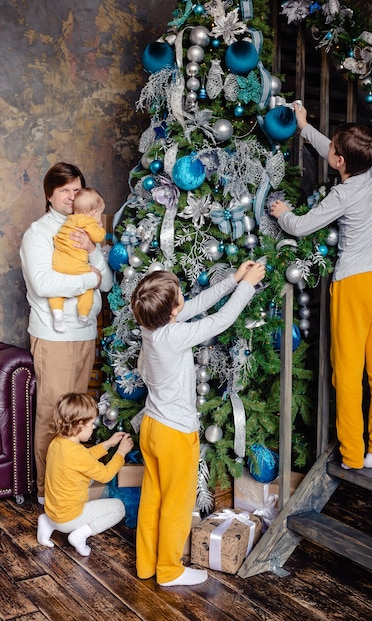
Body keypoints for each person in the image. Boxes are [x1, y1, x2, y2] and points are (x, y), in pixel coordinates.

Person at [270, 103, 372, 471]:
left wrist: (283, 214)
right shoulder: (369, 174)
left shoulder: (342, 196)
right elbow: (334, 146)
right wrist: (305, 127)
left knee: (347, 371)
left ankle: (353, 455)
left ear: (340, 162)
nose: (330, 151)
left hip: (355, 284)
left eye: (334, 151)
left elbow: (300, 227)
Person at [130, 260, 266, 587]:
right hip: (175, 434)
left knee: (152, 499)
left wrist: (232, 280)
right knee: (177, 505)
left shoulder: (152, 329)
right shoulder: (174, 336)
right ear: (172, 312)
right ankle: (169, 571)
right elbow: (221, 319)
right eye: (179, 297)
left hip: (151, 428)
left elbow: (193, 306)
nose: (184, 301)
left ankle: (146, 564)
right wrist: (248, 286)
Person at [20, 162, 113, 504]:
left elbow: (110, 281)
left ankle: (71, 487)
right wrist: (90, 279)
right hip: (54, 335)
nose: (72, 198)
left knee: (79, 417)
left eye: (77, 190)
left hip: (85, 333)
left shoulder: (89, 229)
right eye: (65, 192)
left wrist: (92, 252)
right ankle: (48, 493)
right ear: (49, 195)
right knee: (53, 414)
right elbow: (45, 283)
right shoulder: (39, 233)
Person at [37, 392, 134, 556]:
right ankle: (79, 535)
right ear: (80, 425)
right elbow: (106, 475)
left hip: (53, 511)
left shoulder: (57, 443)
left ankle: (47, 522)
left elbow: (83, 458)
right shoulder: (78, 454)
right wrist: (121, 453)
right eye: (91, 424)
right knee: (119, 508)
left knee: (92, 496)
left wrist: (107, 444)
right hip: (69, 519)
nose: (94, 427)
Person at [49, 187, 107, 332]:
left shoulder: (69, 221)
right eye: (100, 214)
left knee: (56, 293)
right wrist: (100, 228)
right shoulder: (88, 223)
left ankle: (57, 311)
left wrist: (91, 248)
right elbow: (99, 236)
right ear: (94, 213)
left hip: (59, 262)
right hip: (76, 266)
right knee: (87, 287)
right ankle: (83, 314)